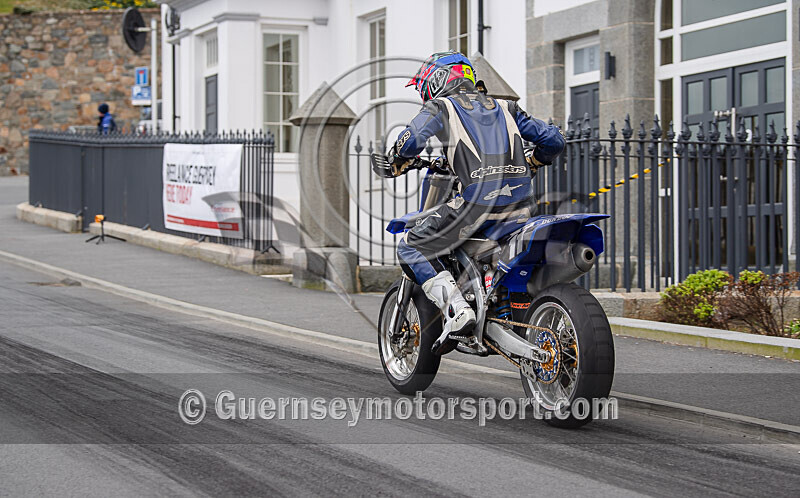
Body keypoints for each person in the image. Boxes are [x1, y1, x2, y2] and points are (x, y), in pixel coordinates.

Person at [387, 51, 565, 348]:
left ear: (439, 79)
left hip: (476, 208)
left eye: (423, 86)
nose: (423, 93)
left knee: (411, 244)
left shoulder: (441, 106)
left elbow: (413, 139)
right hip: (522, 207)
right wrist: (534, 161)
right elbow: (554, 141)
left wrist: (398, 155)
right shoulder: (507, 107)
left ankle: (457, 309)